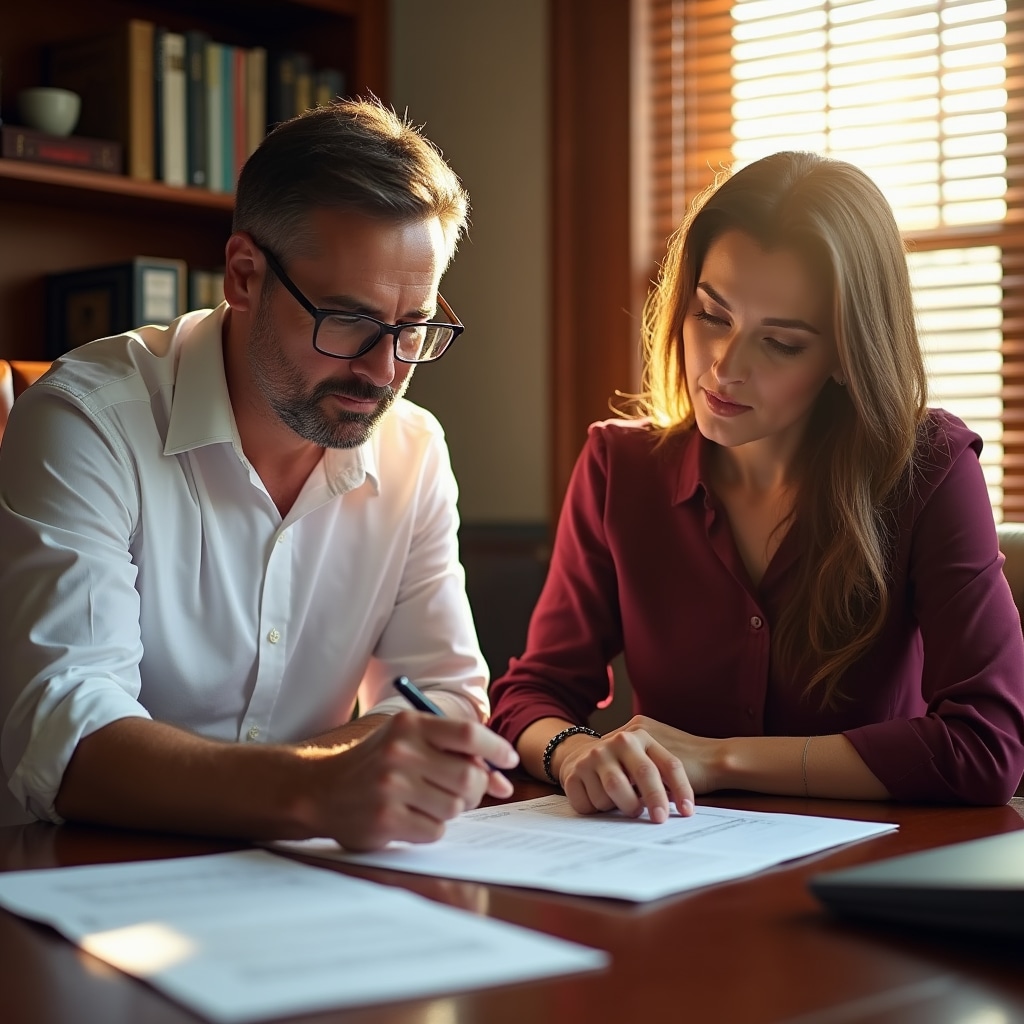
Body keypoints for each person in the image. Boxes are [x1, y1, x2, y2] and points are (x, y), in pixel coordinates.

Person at [0, 97, 518, 845]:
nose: (383, 371)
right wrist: (313, 786)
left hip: (302, 875)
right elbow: (68, 737)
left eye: (414, 329)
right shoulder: (87, 420)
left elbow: (441, 696)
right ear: (244, 274)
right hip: (80, 879)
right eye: (349, 320)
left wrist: (322, 783)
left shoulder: (413, 450)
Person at [489, 150, 1024, 822]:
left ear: (844, 356)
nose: (724, 367)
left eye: (782, 343)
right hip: (666, 865)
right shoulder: (617, 468)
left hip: (866, 870)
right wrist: (573, 753)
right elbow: (530, 694)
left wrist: (717, 759)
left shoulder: (931, 471)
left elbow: (986, 749)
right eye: (712, 316)